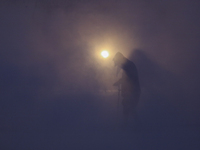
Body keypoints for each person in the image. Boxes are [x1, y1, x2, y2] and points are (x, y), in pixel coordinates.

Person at [113, 52, 141, 128]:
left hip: (132, 90)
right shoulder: (127, 65)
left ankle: (137, 125)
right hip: (130, 90)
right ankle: (127, 124)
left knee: (129, 107)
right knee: (127, 106)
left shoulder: (128, 66)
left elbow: (128, 78)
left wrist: (119, 82)